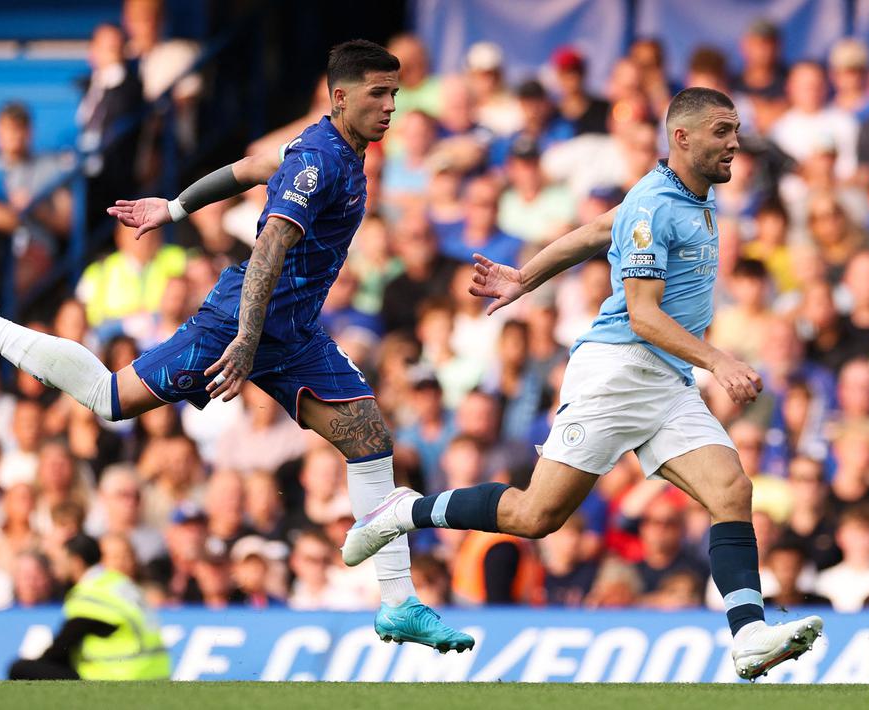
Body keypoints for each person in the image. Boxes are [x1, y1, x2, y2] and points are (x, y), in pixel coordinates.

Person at [0, 40, 470, 652]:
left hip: (292, 331)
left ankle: (398, 603)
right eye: (379, 94)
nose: (391, 106)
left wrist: (174, 206)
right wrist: (244, 339)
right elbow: (268, 249)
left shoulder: (333, 150)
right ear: (341, 97)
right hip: (238, 323)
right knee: (110, 399)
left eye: (394, 94)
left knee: (369, 437)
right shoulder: (320, 162)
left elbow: (249, 168)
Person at [344, 87, 822, 680]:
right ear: (682, 137)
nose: (734, 143)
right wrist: (718, 361)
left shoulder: (685, 196)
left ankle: (748, 636)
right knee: (534, 516)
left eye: (736, 130)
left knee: (731, 490)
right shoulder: (655, 204)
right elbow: (643, 316)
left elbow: (599, 228)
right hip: (618, 371)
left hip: (665, 378)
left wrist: (525, 277)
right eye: (722, 131)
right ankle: (404, 509)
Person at [8, 534, 169, 680]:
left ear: (76, 562)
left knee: (20, 668)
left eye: (61, 561)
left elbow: (61, 648)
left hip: (122, 678)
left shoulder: (91, 594)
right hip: (155, 674)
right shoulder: (118, 582)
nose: (57, 568)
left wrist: (38, 666)